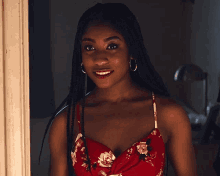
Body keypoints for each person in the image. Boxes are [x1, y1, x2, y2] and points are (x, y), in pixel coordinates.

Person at [38, 3, 197, 176]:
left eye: (112, 46)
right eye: (89, 47)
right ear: (81, 56)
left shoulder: (168, 114)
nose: (99, 59)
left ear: (132, 51)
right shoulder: (65, 123)